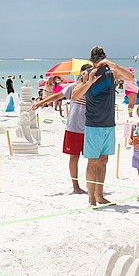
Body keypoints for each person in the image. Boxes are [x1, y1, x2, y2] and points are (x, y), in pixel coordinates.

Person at [70, 46, 135, 206]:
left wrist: (113, 65)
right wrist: (90, 81)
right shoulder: (86, 74)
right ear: (91, 60)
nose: (98, 61)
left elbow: (130, 77)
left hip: (109, 123)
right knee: (93, 161)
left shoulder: (111, 72)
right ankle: (91, 197)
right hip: (93, 124)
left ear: (105, 57)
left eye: (101, 58)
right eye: (96, 59)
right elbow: (74, 95)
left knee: (104, 160)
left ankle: (100, 195)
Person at [32, 64, 91, 194]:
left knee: (92, 159)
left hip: (90, 128)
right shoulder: (73, 87)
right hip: (73, 127)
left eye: (88, 72)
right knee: (74, 157)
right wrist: (40, 102)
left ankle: (91, 185)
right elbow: (57, 96)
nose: (86, 75)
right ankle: (75, 186)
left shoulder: (93, 88)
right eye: (84, 72)